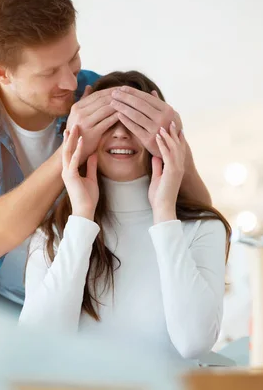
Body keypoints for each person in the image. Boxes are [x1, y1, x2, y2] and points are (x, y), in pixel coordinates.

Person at [0, 0, 212, 308]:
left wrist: (173, 141)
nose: (71, 82)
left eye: (73, 58)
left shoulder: (99, 93)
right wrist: (71, 149)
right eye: (48, 73)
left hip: (76, 308)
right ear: (0, 72)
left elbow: (201, 215)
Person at [19, 71, 231, 359]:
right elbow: (40, 345)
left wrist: (164, 212)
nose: (120, 132)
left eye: (135, 121)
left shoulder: (203, 227)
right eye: (108, 122)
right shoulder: (52, 234)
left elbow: (194, 341)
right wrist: (82, 217)